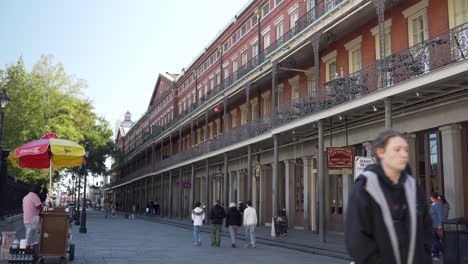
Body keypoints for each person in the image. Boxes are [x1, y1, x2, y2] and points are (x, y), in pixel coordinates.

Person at [345, 129, 432, 264]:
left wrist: (424, 258)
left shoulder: (413, 186)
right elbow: (357, 238)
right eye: (397, 149)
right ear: (381, 152)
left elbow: (426, 228)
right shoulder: (365, 187)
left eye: (405, 150)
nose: (403, 154)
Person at [430, 192, 444, 260]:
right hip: (433, 225)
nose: (430, 198)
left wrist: (439, 225)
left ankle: (444, 250)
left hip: (436, 225)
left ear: (433, 197)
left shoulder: (438, 204)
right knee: (436, 240)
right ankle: (436, 254)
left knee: (435, 240)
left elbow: (439, 215)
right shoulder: (434, 204)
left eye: (431, 197)